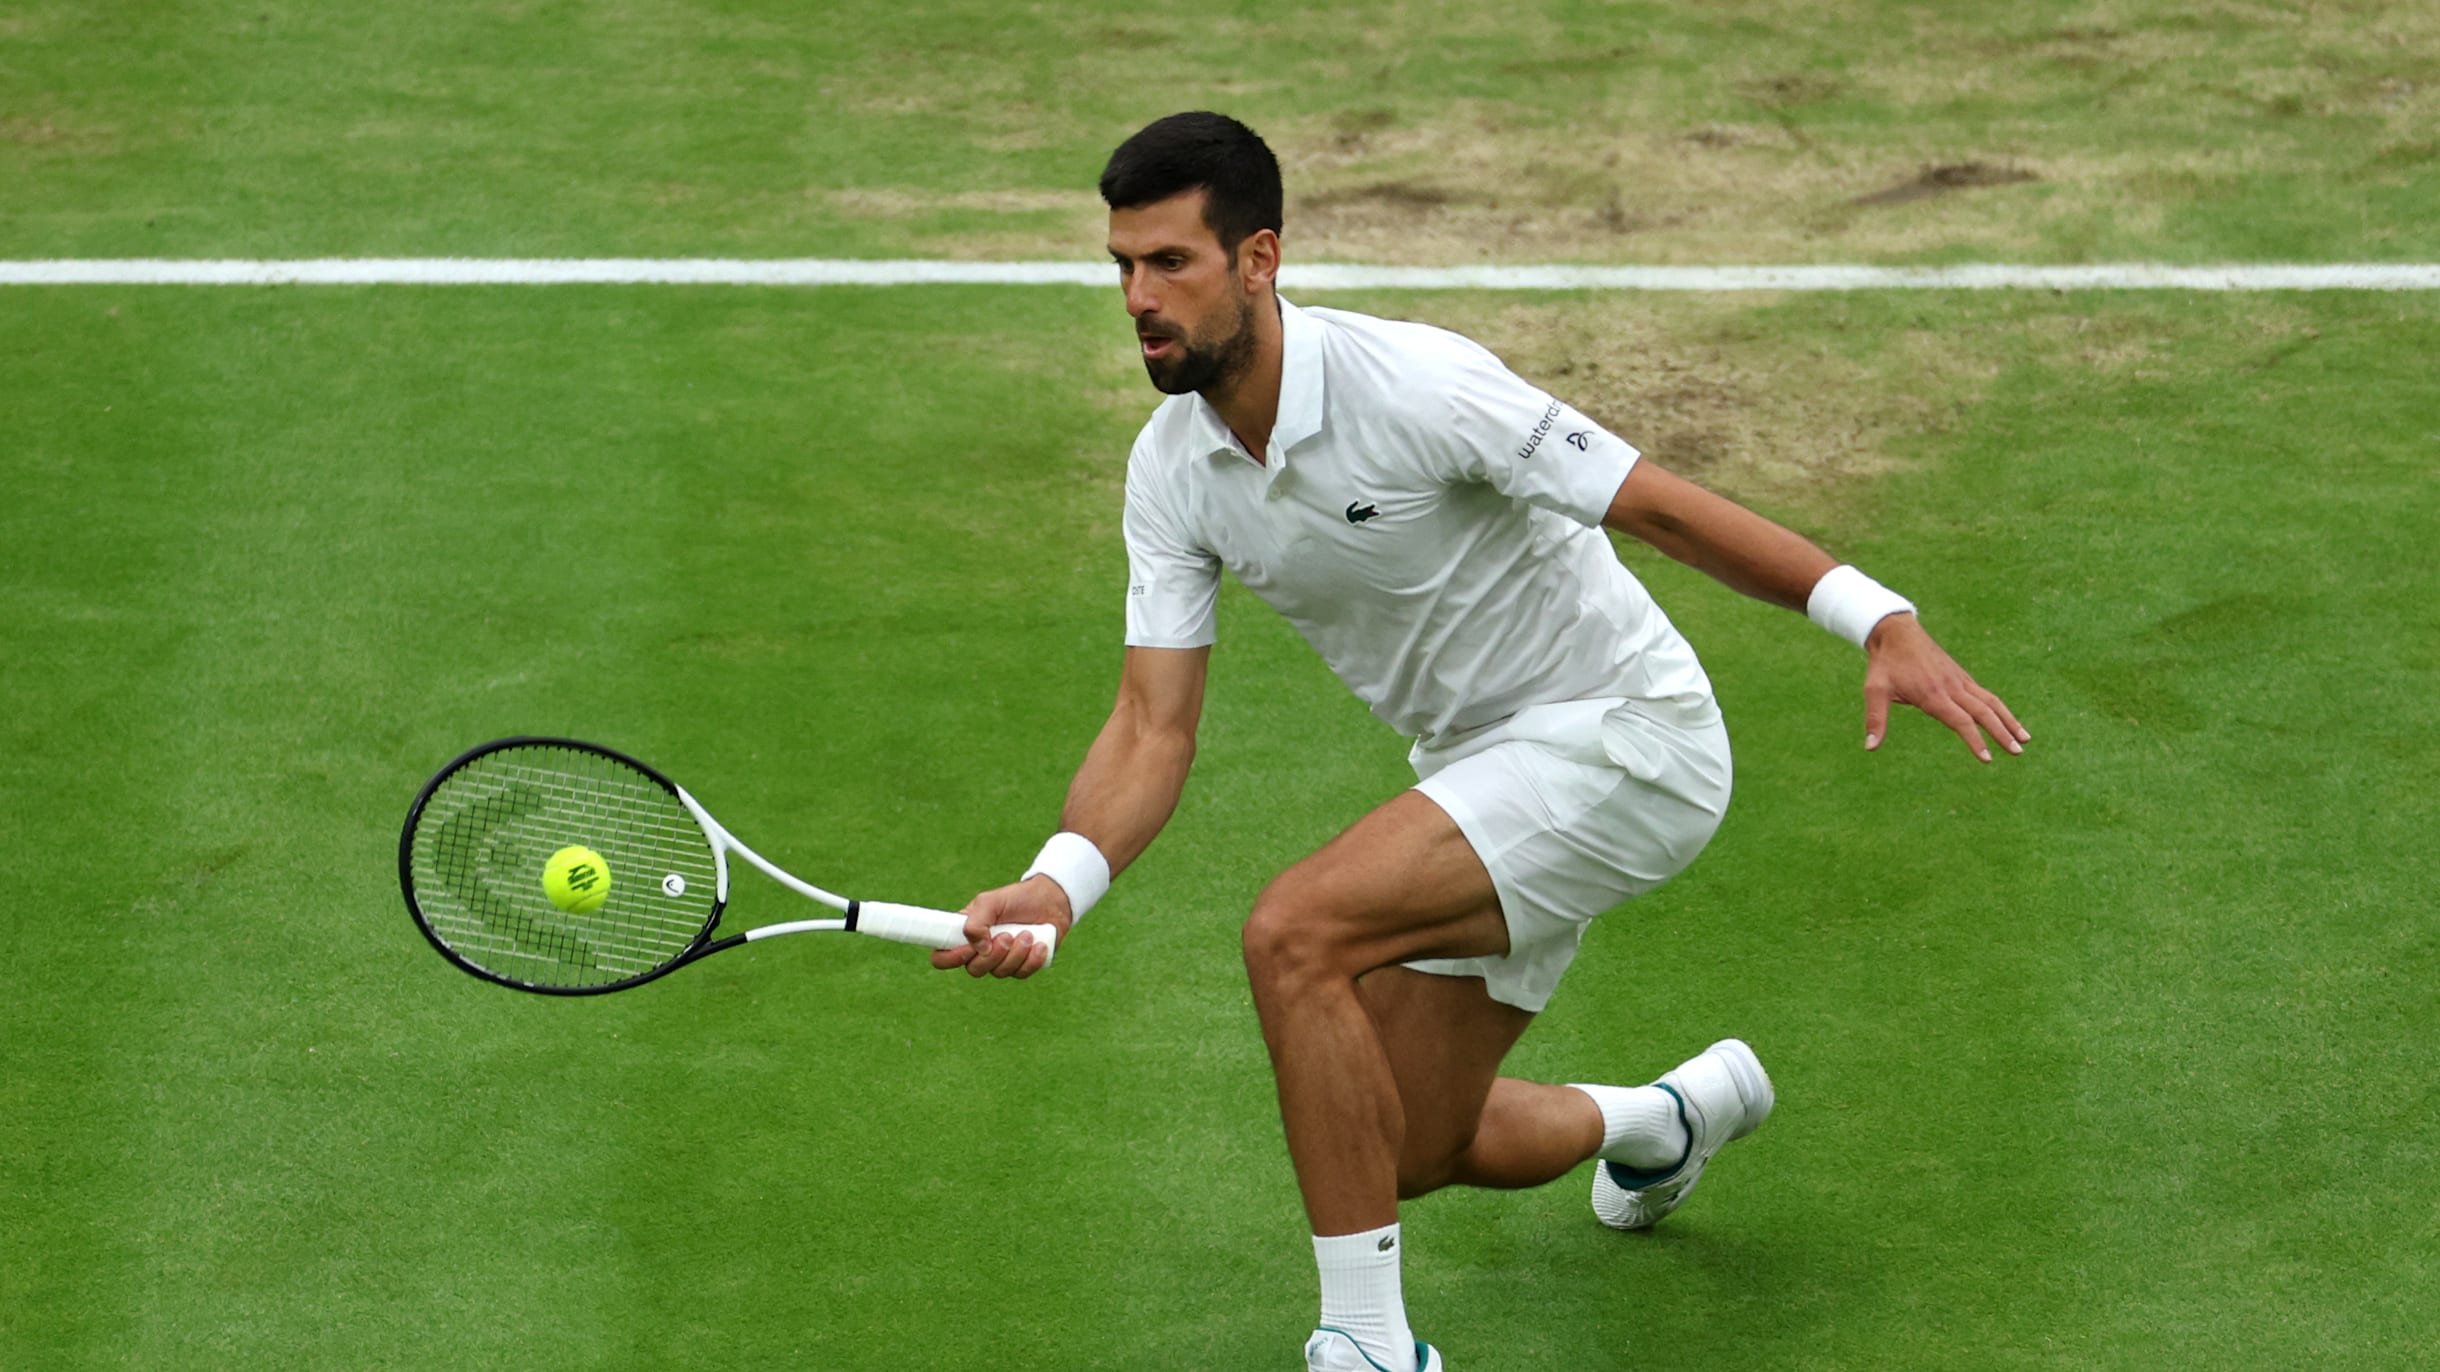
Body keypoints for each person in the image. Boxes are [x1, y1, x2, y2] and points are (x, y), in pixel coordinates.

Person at [931, 111, 2028, 1372]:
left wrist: (1874, 612)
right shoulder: (1171, 471)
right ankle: (1666, 1118)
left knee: (1295, 932)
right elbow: (1150, 719)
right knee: (1400, 1146)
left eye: (1169, 262)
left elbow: (1657, 507)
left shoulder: (1418, 385)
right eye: (1121, 267)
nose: (1138, 298)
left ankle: (1366, 1343)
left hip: (1628, 737)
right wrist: (1058, 882)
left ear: (1259, 258)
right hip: (1482, 771)